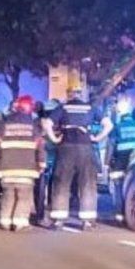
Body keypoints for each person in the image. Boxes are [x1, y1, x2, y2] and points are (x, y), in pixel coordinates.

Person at [44, 86, 112, 229]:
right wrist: (97, 138)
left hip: (66, 148)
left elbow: (47, 123)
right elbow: (108, 125)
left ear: (69, 95)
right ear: (82, 95)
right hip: (85, 148)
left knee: (61, 182)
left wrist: (54, 139)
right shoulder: (90, 108)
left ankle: (58, 220)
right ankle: (87, 221)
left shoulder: (63, 108)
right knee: (88, 184)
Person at [0, 95, 43, 232]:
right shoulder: (33, 127)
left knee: (7, 195)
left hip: (6, 169)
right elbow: (40, 148)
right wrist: (41, 164)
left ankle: (4, 222)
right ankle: (19, 223)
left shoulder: (4, 125)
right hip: (27, 170)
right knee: (24, 197)